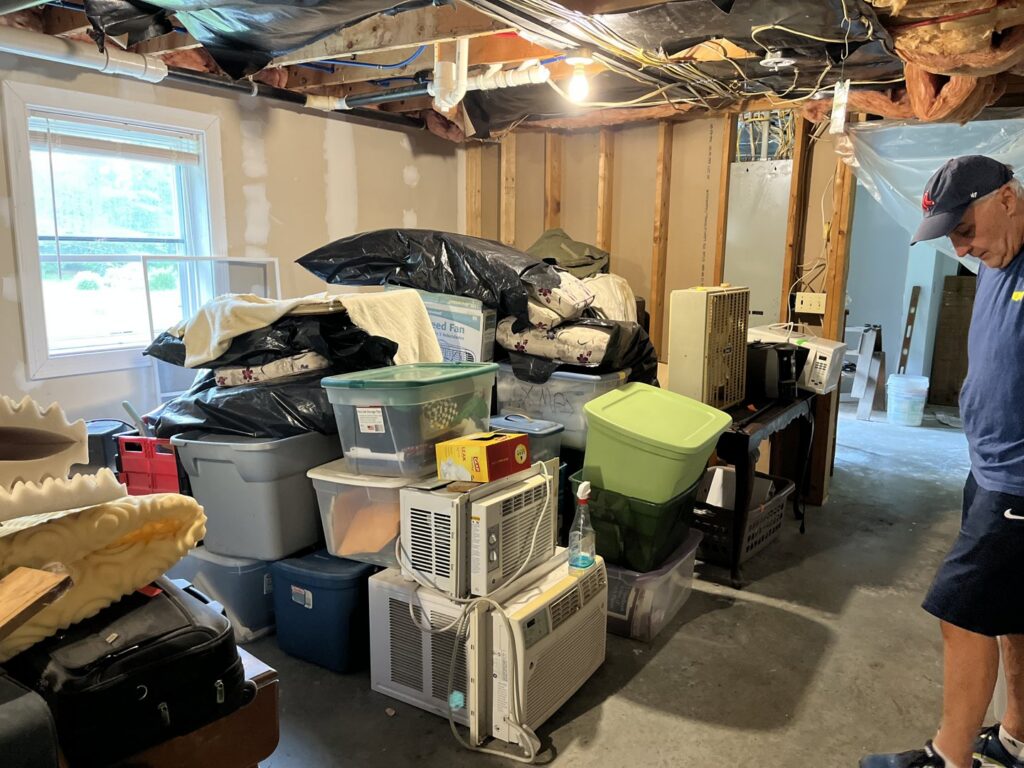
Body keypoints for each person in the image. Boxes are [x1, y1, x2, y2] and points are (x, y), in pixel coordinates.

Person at [861, 155, 1024, 768]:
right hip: (989, 468)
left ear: (1007, 198)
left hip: (1018, 483)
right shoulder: (999, 258)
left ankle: (949, 758)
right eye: (952, 235)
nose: (962, 248)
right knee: (1010, 613)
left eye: (966, 230)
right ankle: (1016, 738)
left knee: (961, 613)